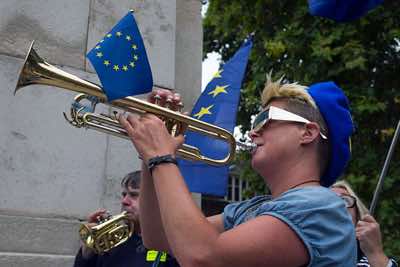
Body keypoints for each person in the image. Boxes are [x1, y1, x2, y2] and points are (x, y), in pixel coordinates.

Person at [119, 75, 357, 266]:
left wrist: (160, 156)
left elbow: (201, 256)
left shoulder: (320, 206)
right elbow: (158, 239)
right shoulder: (252, 208)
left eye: (265, 119)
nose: (253, 133)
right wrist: (149, 155)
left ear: (308, 133)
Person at [73, 171, 179, 267]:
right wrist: (87, 251)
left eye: (134, 195)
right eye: (124, 194)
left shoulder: (172, 244)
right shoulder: (112, 240)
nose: (124, 201)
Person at [331, 180, 398, 267]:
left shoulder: (374, 262)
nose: (338, 205)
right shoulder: (308, 259)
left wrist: (375, 253)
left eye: (345, 201)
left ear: (357, 218)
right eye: (330, 200)